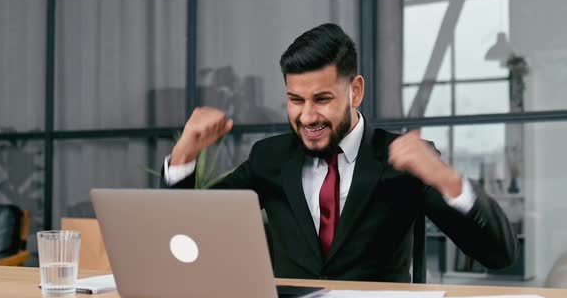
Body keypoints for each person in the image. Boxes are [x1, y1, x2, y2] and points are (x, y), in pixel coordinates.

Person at [161, 23, 517, 282]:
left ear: (355, 91)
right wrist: (183, 157)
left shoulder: (404, 158)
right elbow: (190, 233)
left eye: (323, 99)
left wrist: (448, 181)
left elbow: (497, 255)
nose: (307, 116)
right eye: (295, 100)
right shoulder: (268, 157)